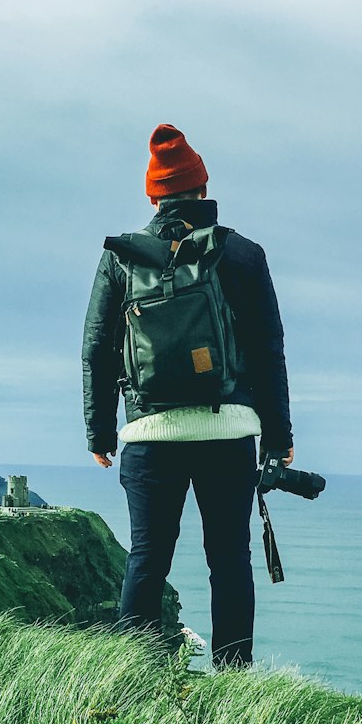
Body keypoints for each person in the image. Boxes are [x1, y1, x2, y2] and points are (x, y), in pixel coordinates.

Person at [81, 124, 294, 668]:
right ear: (202, 189)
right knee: (228, 561)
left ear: (152, 195)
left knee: (148, 561)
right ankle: (231, 683)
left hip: (151, 435)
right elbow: (269, 350)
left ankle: (133, 683)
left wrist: (100, 430)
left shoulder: (122, 258)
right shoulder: (243, 254)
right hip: (227, 433)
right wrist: (279, 436)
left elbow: (97, 349)